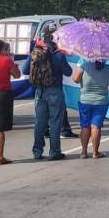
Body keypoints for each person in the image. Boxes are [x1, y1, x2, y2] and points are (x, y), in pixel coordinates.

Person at [26, 28, 72, 160]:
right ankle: (54, 152)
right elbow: (68, 72)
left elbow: (25, 70)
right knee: (55, 122)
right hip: (55, 91)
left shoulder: (35, 53)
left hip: (39, 91)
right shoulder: (58, 55)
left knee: (39, 122)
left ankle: (37, 151)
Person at [73, 59, 109, 159]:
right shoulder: (108, 68)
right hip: (102, 101)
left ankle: (83, 152)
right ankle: (95, 153)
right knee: (96, 126)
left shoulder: (84, 65)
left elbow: (75, 79)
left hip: (85, 101)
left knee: (85, 126)